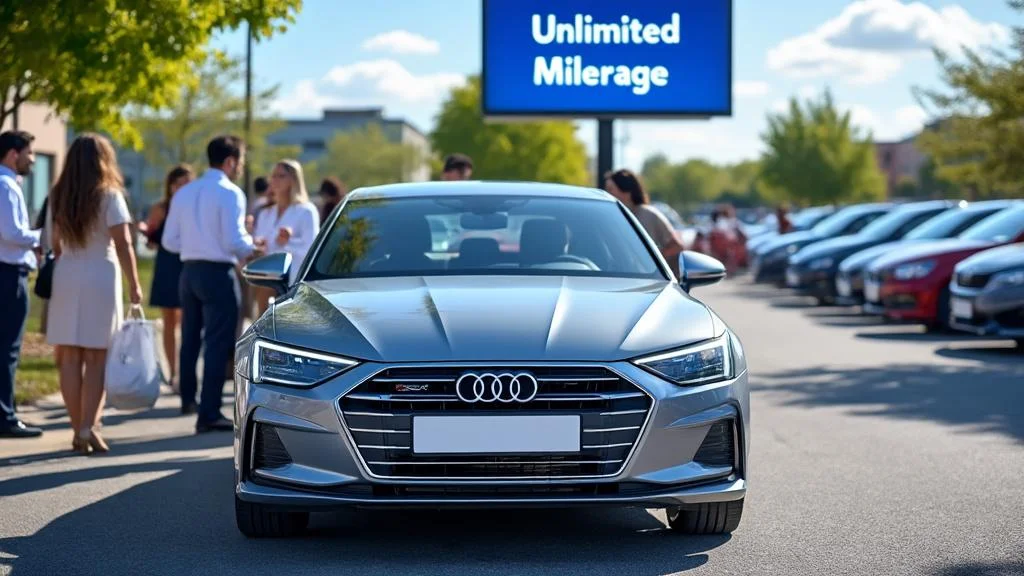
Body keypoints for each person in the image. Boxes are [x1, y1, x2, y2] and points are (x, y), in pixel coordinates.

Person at [46, 133, 144, 454]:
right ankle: (89, 426)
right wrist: (134, 283)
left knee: (70, 358)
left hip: (68, 273)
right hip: (101, 273)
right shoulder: (109, 195)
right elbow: (123, 242)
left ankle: (78, 429)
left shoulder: (59, 194)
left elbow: (54, 244)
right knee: (97, 356)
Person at [162, 135, 263, 432]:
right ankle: (209, 412)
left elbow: (169, 240)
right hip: (218, 272)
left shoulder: (185, 192)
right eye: (240, 161)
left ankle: (188, 399)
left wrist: (195, 244)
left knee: (190, 337)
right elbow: (234, 240)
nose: (240, 167)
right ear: (230, 161)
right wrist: (251, 246)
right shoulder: (230, 193)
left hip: (188, 270)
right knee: (218, 342)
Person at [0, 130, 43, 438]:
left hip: (9, 272)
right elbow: (12, 233)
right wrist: (45, 237)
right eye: (29, 153)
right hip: (8, 274)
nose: (33, 159)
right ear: (13, 154)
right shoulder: (5, 185)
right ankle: (6, 417)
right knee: (8, 349)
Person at [137, 164, 195, 391]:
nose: (181, 188)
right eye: (177, 183)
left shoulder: (195, 208)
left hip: (188, 263)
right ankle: (173, 373)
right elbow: (152, 243)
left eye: (186, 183)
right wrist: (147, 232)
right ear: (169, 186)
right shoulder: (160, 208)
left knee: (185, 321)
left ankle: (184, 372)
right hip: (166, 265)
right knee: (168, 321)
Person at [252, 159, 319, 316]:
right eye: (273, 176)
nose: (274, 180)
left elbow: (311, 249)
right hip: (266, 282)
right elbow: (261, 245)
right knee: (262, 327)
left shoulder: (306, 211)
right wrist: (258, 245)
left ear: (294, 180)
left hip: (294, 284)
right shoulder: (265, 213)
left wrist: (287, 242)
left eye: (280, 176)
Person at [604, 169, 685, 279]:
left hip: (649, 281)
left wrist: (652, 260)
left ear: (627, 191)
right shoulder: (608, 217)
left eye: (610, 189)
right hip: (614, 278)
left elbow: (677, 245)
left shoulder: (649, 215)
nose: (607, 193)